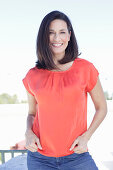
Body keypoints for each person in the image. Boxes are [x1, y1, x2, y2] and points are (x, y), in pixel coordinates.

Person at [22, 10, 107, 170]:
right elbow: (32, 114)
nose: (57, 38)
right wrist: (28, 132)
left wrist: (86, 137)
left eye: (62, 32)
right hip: (39, 159)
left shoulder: (85, 69)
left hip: (77, 157)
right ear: (43, 37)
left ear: (69, 35)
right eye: (51, 33)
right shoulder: (32, 75)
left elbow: (102, 108)